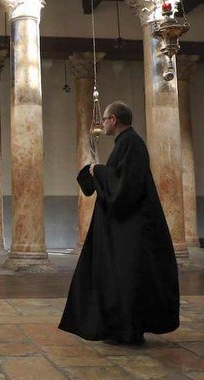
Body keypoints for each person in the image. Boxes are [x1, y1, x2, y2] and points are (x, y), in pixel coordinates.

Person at [59, 101, 180, 345]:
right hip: (123, 229)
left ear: (113, 120)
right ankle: (119, 329)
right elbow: (120, 179)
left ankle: (128, 331)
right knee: (120, 277)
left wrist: (99, 171)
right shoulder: (126, 143)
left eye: (104, 119)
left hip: (132, 230)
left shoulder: (131, 143)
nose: (102, 124)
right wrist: (98, 171)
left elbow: (126, 185)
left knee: (128, 278)